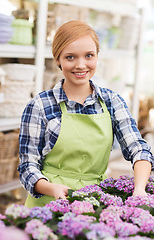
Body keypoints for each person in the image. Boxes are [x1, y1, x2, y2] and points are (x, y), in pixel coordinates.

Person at [18, 20, 154, 208]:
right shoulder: (40, 106)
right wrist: (52, 189)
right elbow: (27, 167)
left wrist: (139, 191)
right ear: (57, 59)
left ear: (97, 56)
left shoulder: (112, 102)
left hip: (94, 204)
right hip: (47, 205)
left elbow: (139, 149)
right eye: (70, 57)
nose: (81, 65)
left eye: (89, 55)